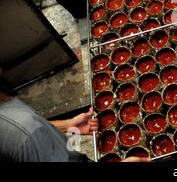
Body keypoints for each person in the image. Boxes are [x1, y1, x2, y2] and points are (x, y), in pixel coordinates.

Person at [0, 68, 148, 162]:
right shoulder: (23, 132)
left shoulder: (10, 113)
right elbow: (28, 132)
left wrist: (67, 125)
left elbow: (33, 127)